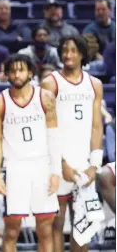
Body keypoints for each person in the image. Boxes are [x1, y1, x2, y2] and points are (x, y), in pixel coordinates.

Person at [0, 54, 61, 252]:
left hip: (42, 165)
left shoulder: (45, 97)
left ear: (30, 72)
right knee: (12, 230)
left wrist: (56, 171)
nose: (16, 74)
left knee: (45, 229)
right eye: (12, 70)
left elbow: (54, 135)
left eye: (21, 70)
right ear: (7, 74)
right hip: (14, 167)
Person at [40, 35, 103, 252]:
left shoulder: (94, 84)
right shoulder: (50, 82)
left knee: (82, 221)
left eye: (73, 50)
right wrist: (61, 163)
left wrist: (94, 164)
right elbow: (46, 127)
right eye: (65, 50)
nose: (68, 55)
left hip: (84, 159)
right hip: (56, 160)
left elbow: (96, 126)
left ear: (83, 54)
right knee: (56, 222)